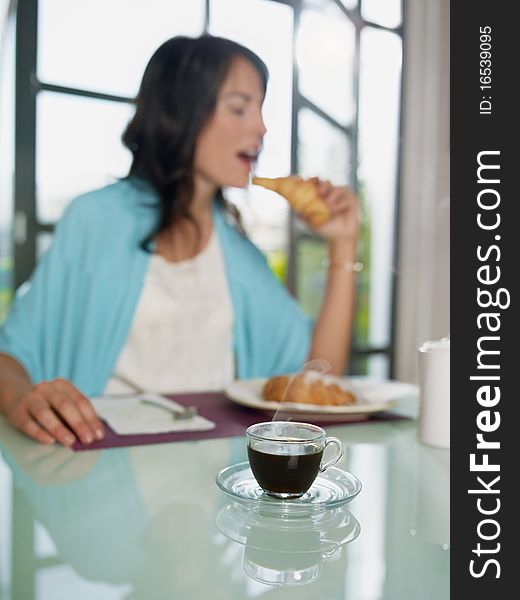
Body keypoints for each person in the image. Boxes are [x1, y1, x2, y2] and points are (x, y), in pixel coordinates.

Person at [0, 34, 360, 447]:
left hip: (220, 489)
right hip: (101, 478)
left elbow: (317, 379)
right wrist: (22, 398)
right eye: (240, 107)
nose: (261, 127)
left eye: (260, 109)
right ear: (181, 112)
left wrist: (343, 243)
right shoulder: (96, 220)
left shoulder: (239, 254)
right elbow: (9, 356)